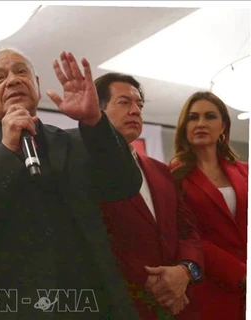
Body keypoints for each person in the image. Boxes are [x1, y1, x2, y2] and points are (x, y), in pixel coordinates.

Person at [0, 48, 143, 319]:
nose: (13, 80)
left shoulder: (78, 140)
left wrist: (95, 120)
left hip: (90, 305)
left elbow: (125, 185)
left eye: (21, 71)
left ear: (37, 86)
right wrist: (7, 149)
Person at [94, 73, 204, 319]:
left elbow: (189, 232)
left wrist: (184, 272)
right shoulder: (86, 169)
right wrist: (156, 285)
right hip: (119, 305)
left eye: (139, 105)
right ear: (97, 112)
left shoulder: (162, 170)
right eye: (124, 102)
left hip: (179, 305)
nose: (135, 110)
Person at [170, 91, 247, 320]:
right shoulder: (172, 176)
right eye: (193, 117)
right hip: (208, 287)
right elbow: (185, 236)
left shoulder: (245, 171)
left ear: (223, 125)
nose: (201, 123)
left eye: (210, 116)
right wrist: (240, 272)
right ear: (185, 125)